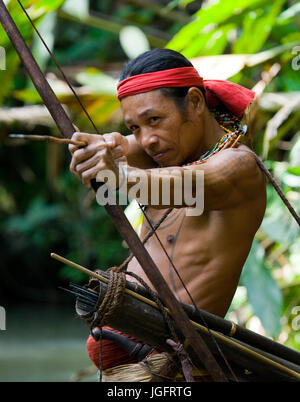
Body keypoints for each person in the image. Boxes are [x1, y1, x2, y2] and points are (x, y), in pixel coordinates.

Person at [68, 48, 266, 380]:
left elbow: (189, 186)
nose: (147, 140)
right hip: (130, 369)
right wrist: (93, 153)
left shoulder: (240, 167)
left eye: (154, 120)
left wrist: (118, 176)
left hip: (177, 369)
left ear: (195, 102)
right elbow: (111, 152)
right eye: (134, 127)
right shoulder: (157, 154)